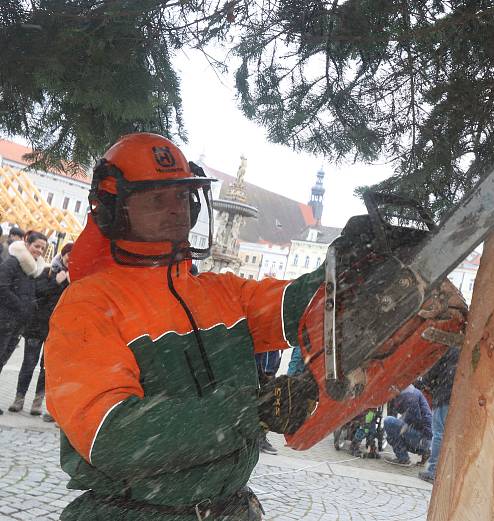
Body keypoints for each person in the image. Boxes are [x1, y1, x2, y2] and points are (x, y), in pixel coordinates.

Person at [44, 133, 324, 520]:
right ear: (114, 210)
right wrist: (248, 409)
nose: (175, 210)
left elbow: (304, 306)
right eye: (157, 199)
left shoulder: (218, 292)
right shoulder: (89, 305)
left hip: (227, 508)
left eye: (180, 197)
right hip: (134, 512)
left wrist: (349, 267)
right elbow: (114, 436)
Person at [8, 242, 72, 420]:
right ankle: (19, 398)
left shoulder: (74, 279)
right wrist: (56, 283)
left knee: (47, 368)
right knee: (28, 364)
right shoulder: (47, 271)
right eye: (69, 255)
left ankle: (38, 401)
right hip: (37, 327)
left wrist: (67, 283)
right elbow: (37, 292)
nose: (71, 259)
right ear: (63, 254)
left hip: (57, 330)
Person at [0, 230, 48, 414]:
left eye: (42, 248)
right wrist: (21, 307)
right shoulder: (13, 262)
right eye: (36, 246)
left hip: (17, 324)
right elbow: (2, 287)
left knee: (3, 360)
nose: (39, 251)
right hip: (5, 319)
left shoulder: (32, 269)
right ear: (27, 244)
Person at [415, 346, 459, 483]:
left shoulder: (448, 348)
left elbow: (433, 371)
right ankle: (449, 472)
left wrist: (424, 382)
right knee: (453, 435)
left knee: (439, 434)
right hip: (460, 396)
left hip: (445, 394)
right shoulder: (466, 347)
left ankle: (433, 471)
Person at [383, 384, 433, 467]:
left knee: (388, 421)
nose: (389, 394)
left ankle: (404, 459)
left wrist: (400, 431)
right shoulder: (408, 391)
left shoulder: (409, 396)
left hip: (422, 437)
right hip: (425, 437)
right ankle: (424, 450)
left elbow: (415, 420)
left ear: (394, 388)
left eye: (390, 390)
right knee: (392, 433)